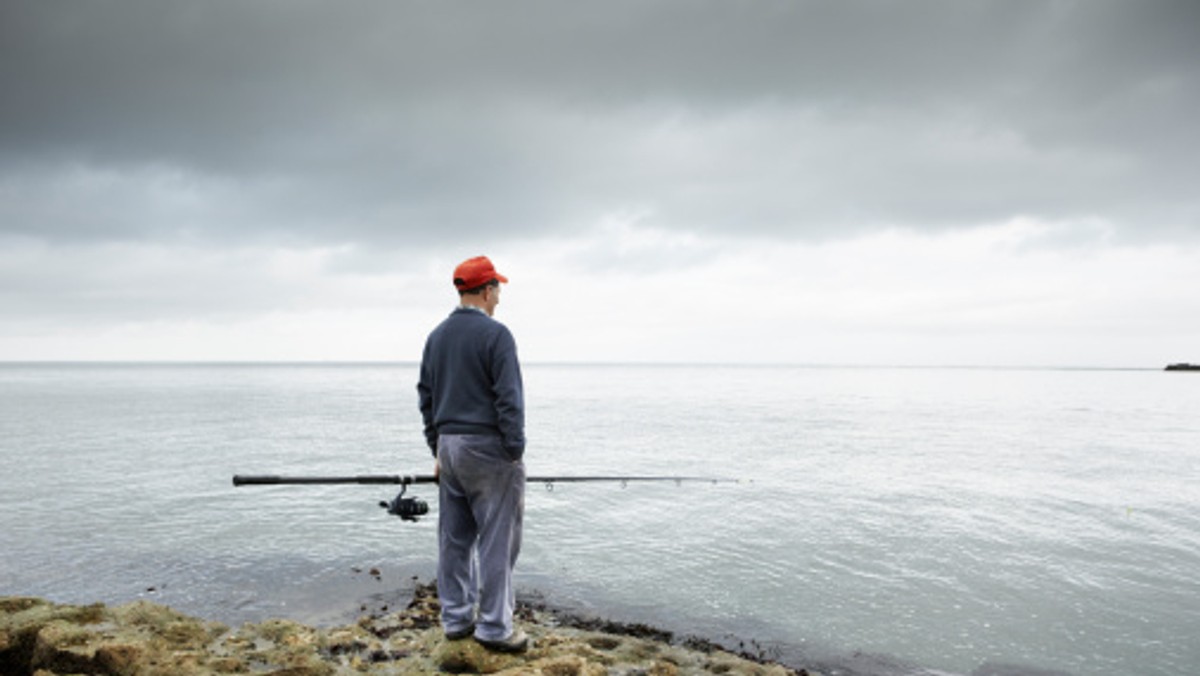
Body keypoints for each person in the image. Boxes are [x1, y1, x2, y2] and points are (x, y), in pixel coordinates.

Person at [417, 255, 528, 653]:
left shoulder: (436, 336)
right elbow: (509, 401)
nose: (499, 296)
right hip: (488, 448)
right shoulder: (497, 336)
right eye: (497, 288)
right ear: (486, 291)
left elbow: (425, 397)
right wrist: (514, 452)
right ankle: (496, 628)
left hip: (449, 447)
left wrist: (438, 448)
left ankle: (457, 618)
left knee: (455, 538)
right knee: (497, 540)